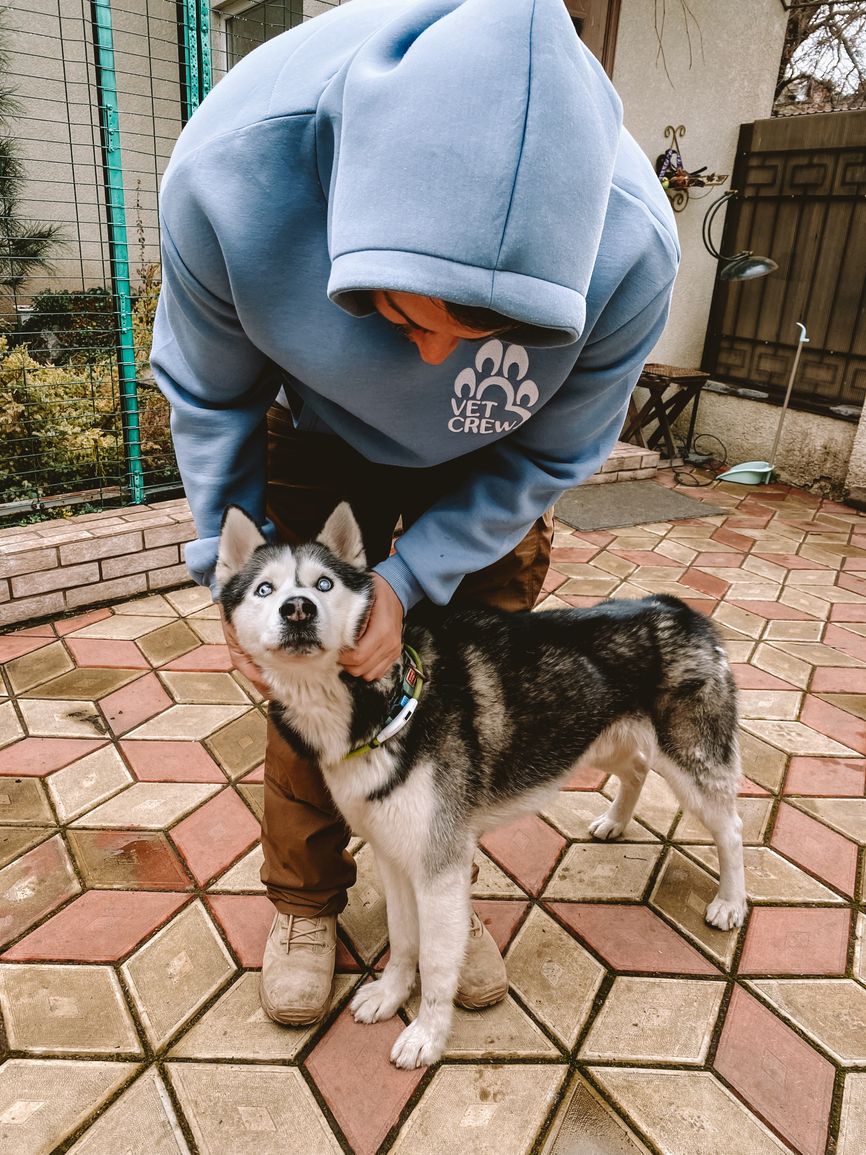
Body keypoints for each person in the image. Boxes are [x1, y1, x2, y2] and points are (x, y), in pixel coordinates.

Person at [151, 0, 680, 1025]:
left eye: (483, 333)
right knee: (308, 676)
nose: (434, 360)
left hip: (492, 469)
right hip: (309, 438)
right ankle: (305, 901)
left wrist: (407, 580)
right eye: (402, 313)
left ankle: (435, 891)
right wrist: (232, 584)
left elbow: (552, 451)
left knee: (466, 687)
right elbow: (212, 397)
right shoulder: (230, 172)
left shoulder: (634, 251)